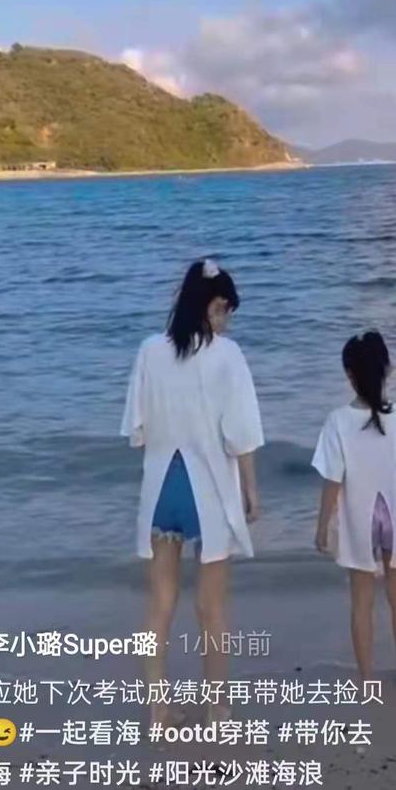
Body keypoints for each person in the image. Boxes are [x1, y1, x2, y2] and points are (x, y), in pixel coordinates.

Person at [120, 259, 264, 726]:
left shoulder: (149, 350)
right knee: (211, 607)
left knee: (160, 603)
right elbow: (240, 434)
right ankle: (217, 708)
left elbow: (137, 430)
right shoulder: (227, 355)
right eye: (225, 309)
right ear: (211, 305)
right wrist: (251, 490)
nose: (227, 320)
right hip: (209, 492)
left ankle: (158, 710)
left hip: (161, 491)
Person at [312, 331, 396, 691]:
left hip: (359, 519)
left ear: (348, 374)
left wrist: (323, 525)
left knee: (361, 602)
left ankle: (366, 680)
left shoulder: (337, 421)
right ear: (388, 369)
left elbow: (332, 480)